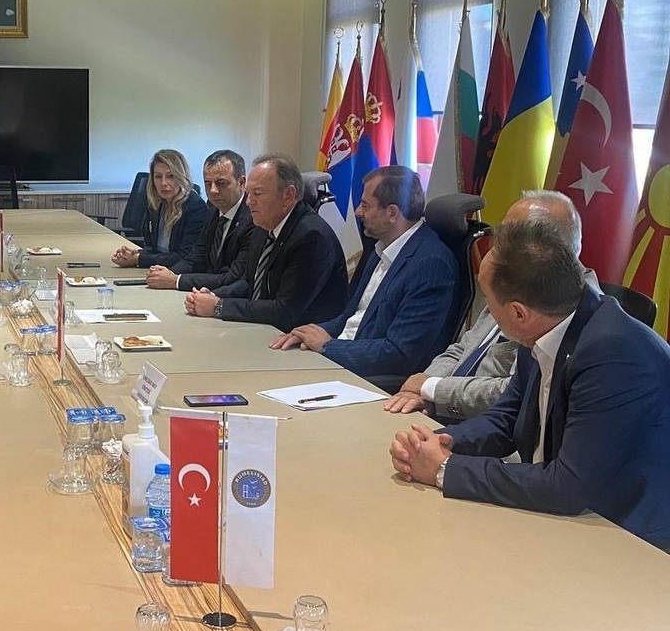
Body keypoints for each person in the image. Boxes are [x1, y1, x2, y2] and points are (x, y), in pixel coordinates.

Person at [389, 219, 670, 552]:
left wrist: (445, 469)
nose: (487, 311)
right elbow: (507, 418)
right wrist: (440, 443)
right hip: (562, 517)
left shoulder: (613, 354)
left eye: (488, 300)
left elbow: (567, 488)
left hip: (629, 540)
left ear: (518, 313)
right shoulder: (546, 325)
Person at [384, 190, 587, 420]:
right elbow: (463, 347)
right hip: (443, 410)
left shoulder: (561, 305)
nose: (497, 242)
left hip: (481, 423)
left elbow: (513, 393)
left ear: (542, 247)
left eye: (510, 234)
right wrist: (420, 389)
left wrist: (433, 389)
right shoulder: (511, 277)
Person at [271, 166, 458, 377]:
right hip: (344, 357)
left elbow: (399, 354)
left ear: (392, 213)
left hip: (370, 377)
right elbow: (352, 317)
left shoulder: (430, 264)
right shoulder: (382, 247)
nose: (358, 211)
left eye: (365, 205)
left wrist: (327, 346)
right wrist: (309, 333)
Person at [183, 153, 347, 331]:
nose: (248, 202)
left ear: (288, 195)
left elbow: (284, 311)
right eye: (248, 193)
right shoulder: (263, 224)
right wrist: (213, 296)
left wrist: (219, 306)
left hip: (300, 338)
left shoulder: (311, 237)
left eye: (257, 193)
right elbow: (248, 282)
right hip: (264, 328)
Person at [144, 149, 261, 292]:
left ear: (241, 183)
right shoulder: (213, 210)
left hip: (227, 296)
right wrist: (168, 274)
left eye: (221, 183)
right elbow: (195, 258)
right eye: (208, 183)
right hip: (205, 292)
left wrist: (176, 281)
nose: (213, 190)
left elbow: (233, 277)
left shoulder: (253, 218)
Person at [111, 148, 208, 269]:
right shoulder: (156, 204)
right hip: (157, 270)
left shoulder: (195, 207)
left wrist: (139, 259)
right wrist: (136, 254)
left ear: (181, 177)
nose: (163, 183)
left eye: (170, 176)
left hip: (178, 274)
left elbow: (185, 257)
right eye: (158, 177)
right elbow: (154, 248)